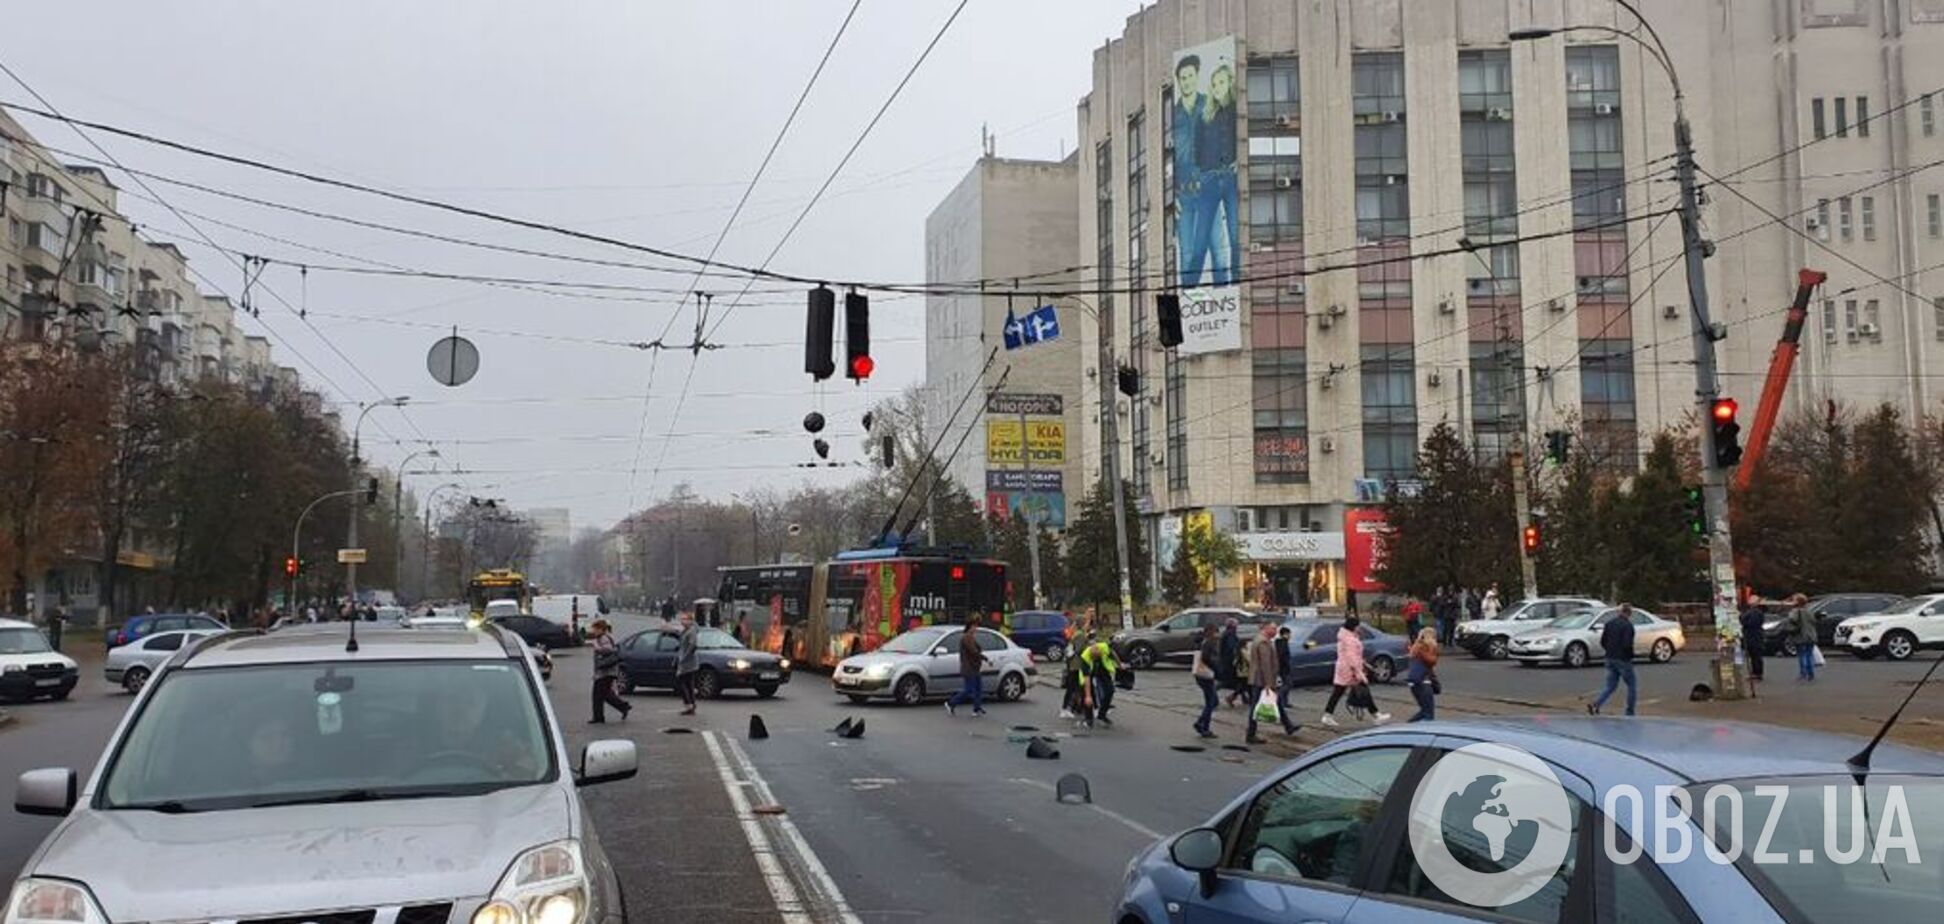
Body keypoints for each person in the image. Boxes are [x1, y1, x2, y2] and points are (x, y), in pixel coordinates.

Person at [1195, 63, 1240, 285]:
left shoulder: (1236, 110)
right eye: (1214, 84)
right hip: (1209, 179)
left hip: (1231, 179)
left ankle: (1239, 286)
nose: (1218, 87)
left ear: (1230, 82)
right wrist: (1200, 177)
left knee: (1235, 236)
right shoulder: (1205, 116)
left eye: (1221, 82)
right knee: (1200, 239)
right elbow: (1197, 151)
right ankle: (1189, 289)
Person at [1171, 54, 1208, 287]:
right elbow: (1171, 159)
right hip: (1183, 195)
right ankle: (1192, 300)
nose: (1186, 82)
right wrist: (1172, 195)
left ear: (1197, 77)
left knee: (1217, 251)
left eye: (1190, 76)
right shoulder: (1174, 115)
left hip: (1209, 193)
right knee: (1186, 254)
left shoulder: (1209, 105)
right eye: (1182, 78)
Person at [1322, 615, 1390, 726]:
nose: (1359, 628)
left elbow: (1351, 655)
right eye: (1358, 626)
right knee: (1363, 690)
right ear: (1353, 627)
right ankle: (1376, 715)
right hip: (1350, 670)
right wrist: (1359, 673)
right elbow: (1352, 657)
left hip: (1343, 668)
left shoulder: (1345, 637)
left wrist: (1363, 663)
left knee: (1338, 692)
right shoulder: (1350, 640)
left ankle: (1327, 715)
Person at [1245, 623, 1299, 743]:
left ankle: (1288, 726)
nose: (1275, 631)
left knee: (1277, 702)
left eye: (1276, 629)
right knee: (1255, 707)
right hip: (1262, 680)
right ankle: (1251, 734)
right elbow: (1266, 664)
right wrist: (1269, 683)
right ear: (1266, 628)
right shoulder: (1263, 642)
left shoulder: (1260, 639)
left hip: (1259, 678)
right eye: (1273, 628)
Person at [1588, 605, 1640, 716]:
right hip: (1623, 659)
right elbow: (1627, 644)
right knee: (1632, 685)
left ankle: (1596, 704)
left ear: (1619, 612)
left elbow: (1603, 641)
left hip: (1610, 657)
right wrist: (1630, 656)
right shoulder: (1628, 626)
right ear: (1629, 614)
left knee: (1610, 686)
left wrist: (1609, 650)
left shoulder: (1609, 624)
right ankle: (1630, 711)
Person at [587, 619, 631, 724]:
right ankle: (623, 706)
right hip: (607, 671)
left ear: (601, 629)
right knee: (605, 694)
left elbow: (608, 649)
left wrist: (596, 646)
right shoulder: (604, 637)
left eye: (595, 629)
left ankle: (599, 717)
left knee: (597, 695)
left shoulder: (604, 638)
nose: (594, 631)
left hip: (606, 672)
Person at [946, 617, 990, 717]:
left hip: (975, 667)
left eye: (976, 626)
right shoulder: (966, 637)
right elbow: (973, 651)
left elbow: (977, 649)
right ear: (969, 627)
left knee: (978, 688)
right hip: (968, 668)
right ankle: (951, 703)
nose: (976, 629)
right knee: (969, 690)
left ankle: (977, 708)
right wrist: (985, 658)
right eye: (974, 626)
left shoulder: (971, 637)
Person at [1077, 634, 1120, 727]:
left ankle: (1102, 715)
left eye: (1098, 656)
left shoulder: (1103, 647)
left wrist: (1120, 665)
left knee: (1110, 690)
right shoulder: (1085, 657)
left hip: (1102, 670)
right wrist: (1088, 696)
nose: (1096, 658)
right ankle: (1088, 718)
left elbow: (1112, 653)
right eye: (1094, 657)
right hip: (1088, 674)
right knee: (1087, 695)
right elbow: (1087, 678)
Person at [1190, 624, 1220, 739]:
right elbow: (1206, 658)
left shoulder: (1202, 641)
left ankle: (1201, 723)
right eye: (1216, 632)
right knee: (1211, 702)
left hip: (1200, 674)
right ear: (1211, 632)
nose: (1217, 635)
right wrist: (1215, 668)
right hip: (1206, 675)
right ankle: (1203, 726)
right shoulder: (1209, 643)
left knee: (1213, 701)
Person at [1407, 628, 1441, 722]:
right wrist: (1434, 650)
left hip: (1414, 682)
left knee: (1424, 711)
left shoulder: (1416, 646)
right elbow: (1432, 661)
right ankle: (1410, 727)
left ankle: (1408, 726)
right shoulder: (1426, 647)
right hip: (1423, 683)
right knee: (1428, 714)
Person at [674, 612, 700, 715]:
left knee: (682, 683)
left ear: (690, 620)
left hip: (687, 662)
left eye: (684, 619)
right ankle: (692, 705)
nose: (682, 621)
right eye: (681, 619)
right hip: (687, 661)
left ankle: (688, 704)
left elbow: (692, 645)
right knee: (689, 684)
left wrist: (684, 657)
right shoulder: (686, 630)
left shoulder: (691, 631)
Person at [1787, 593, 1818, 681]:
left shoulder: (1795, 611)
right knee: (1809, 654)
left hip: (1800, 635)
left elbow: (1792, 620)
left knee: (1802, 654)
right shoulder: (1809, 611)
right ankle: (1811, 673)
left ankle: (1803, 673)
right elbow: (1814, 621)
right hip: (1811, 635)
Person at [1739, 594, 1767, 685]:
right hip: (1752, 636)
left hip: (1754, 636)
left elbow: (1751, 623)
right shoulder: (1754, 612)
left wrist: (1744, 622)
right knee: (1753, 655)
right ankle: (1755, 672)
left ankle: (1757, 673)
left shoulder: (1756, 613)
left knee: (1756, 655)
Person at [1217, 618, 1243, 707]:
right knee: (1238, 681)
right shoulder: (1230, 635)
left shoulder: (1226, 633)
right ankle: (1231, 697)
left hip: (1227, 662)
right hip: (1230, 663)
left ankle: (1234, 697)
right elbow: (1232, 648)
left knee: (1238, 682)